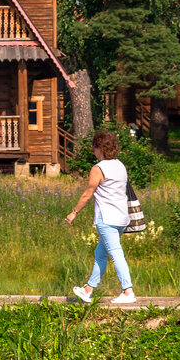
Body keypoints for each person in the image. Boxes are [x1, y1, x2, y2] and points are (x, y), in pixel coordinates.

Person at [64, 130, 136, 304]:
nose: (94, 151)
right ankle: (88, 290)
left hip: (107, 218)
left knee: (116, 253)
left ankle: (128, 291)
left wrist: (74, 212)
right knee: (100, 253)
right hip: (121, 218)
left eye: (94, 147)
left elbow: (88, 194)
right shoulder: (120, 165)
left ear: (100, 148)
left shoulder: (99, 168)